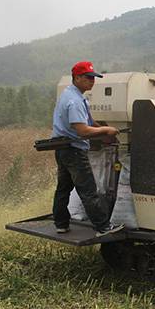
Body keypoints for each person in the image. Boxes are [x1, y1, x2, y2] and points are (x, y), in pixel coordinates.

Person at [51, 61, 124, 237]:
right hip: (74, 150)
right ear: (76, 78)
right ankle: (103, 227)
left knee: (63, 188)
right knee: (89, 190)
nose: (92, 81)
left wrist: (104, 134)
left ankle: (61, 224)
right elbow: (83, 131)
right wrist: (106, 130)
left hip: (62, 149)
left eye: (93, 78)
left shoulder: (72, 95)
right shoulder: (74, 100)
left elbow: (89, 123)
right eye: (88, 77)